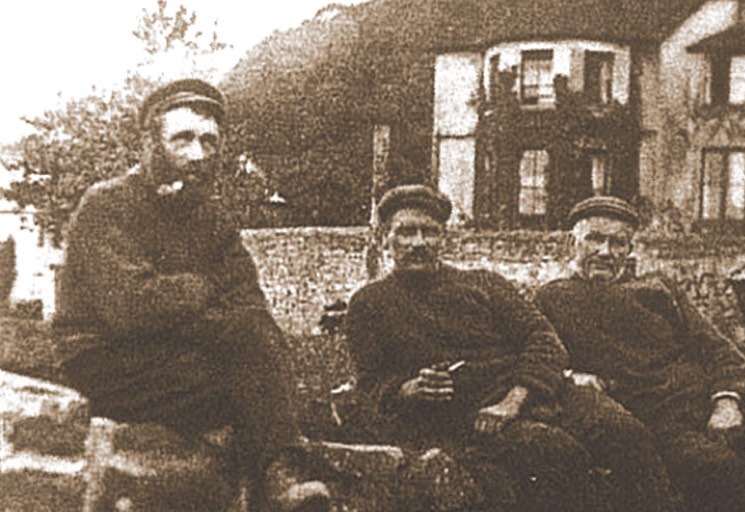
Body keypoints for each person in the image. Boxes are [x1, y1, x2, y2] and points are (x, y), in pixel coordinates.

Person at [54, 79, 329, 512]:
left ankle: (282, 476)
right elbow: (132, 307)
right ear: (149, 143)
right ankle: (281, 476)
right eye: (182, 139)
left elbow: (250, 307)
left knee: (259, 360)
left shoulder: (213, 218)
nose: (198, 155)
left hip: (183, 356)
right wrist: (201, 288)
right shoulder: (105, 205)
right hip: (107, 359)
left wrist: (191, 307)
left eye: (209, 141)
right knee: (257, 391)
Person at [534, 195, 745, 512]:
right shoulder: (552, 298)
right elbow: (534, 359)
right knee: (713, 465)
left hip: (708, 400)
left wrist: (726, 402)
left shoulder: (658, 287)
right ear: (573, 242)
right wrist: (572, 377)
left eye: (618, 243)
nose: (605, 252)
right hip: (658, 421)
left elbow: (717, 347)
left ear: (629, 250)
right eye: (595, 240)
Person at [345, 184, 624, 512]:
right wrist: (409, 389)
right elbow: (369, 385)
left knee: (622, 432)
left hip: (532, 398)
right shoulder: (369, 304)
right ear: (384, 240)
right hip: (464, 422)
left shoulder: (484, 284)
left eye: (429, 232)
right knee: (554, 451)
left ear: (443, 239)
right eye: (406, 232)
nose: (419, 242)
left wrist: (513, 401)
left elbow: (544, 340)